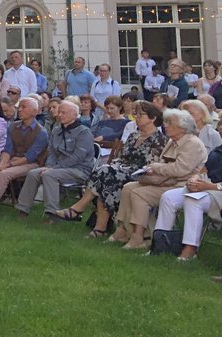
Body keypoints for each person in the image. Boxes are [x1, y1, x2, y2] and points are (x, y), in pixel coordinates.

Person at [50, 101, 166, 236]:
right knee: (106, 177)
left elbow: (150, 165)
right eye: (135, 115)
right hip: (120, 171)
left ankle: (80, 211)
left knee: (106, 173)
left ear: (153, 118)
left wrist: (118, 168)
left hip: (139, 174)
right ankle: (99, 228)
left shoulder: (159, 140)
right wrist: (116, 166)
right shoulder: (134, 135)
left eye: (141, 115)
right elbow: (121, 157)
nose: (137, 118)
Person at [112, 108, 207, 249]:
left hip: (181, 185)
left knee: (139, 194)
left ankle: (140, 237)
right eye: (166, 122)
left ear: (182, 127)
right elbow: (165, 164)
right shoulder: (172, 141)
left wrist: (156, 167)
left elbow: (180, 169)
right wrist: (152, 169)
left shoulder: (192, 144)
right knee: (128, 188)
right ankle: (122, 230)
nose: (165, 125)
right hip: (165, 181)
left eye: (170, 123)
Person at [14, 99, 95, 219]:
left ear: (74, 115)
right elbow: (51, 152)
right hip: (58, 168)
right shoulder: (57, 129)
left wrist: (53, 168)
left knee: (49, 175)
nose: (60, 115)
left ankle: (52, 213)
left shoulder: (84, 132)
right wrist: (49, 165)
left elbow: (77, 157)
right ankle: (23, 209)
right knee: (33, 173)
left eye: (64, 113)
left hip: (79, 169)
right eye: (59, 112)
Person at [153, 142, 222, 261]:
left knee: (193, 200)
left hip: (218, 192)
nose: (220, 128)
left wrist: (209, 186)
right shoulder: (218, 150)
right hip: (205, 187)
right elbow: (202, 170)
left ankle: (190, 249)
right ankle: (160, 244)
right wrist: (194, 180)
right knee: (168, 197)